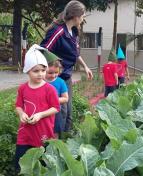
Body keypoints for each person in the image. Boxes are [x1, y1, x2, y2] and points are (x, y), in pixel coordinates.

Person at [40, 0, 93, 131]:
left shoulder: (73, 32)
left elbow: (75, 54)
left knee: (68, 113)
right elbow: (43, 50)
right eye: (82, 16)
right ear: (75, 16)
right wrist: (50, 71)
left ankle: (65, 141)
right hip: (55, 79)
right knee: (59, 113)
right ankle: (53, 143)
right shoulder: (58, 32)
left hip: (67, 78)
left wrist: (85, 66)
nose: (83, 18)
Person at [15, 44, 60, 171]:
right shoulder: (23, 88)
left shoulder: (49, 89)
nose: (40, 74)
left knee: (43, 164)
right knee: (21, 164)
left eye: (43, 70)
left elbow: (56, 108)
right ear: (27, 71)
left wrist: (40, 115)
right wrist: (21, 114)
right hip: (25, 133)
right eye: (36, 71)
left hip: (43, 131)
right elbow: (18, 106)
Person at [45, 59, 68, 138]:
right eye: (50, 73)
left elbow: (65, 98)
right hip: (42, 112)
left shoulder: (60, 82)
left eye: (56, 72)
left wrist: (52, 100)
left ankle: (54, 148)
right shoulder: (41, 82)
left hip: (55, 113)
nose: (53, 75)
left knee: (55, 132)